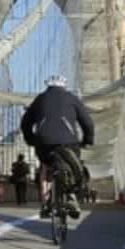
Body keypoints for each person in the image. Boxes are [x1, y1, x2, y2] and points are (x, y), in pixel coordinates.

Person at [20, 74, 95, 219]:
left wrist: (31, 140)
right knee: (74, 166)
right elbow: (87, 122)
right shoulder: (72, 98)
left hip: (44, 144)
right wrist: (87, 140)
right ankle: (71, 196)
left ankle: (46, 200)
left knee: (45, 167)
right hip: (69, 143)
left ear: (48, 85)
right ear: (64, 86)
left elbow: (25, 123)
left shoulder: (40, 99)